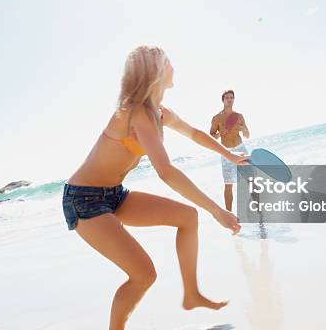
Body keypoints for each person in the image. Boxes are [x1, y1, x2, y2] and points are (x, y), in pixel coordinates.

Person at [62, 46, 248, 330]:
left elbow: (195, 134)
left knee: (187, 217)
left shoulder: (159, 113)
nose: (173, 65)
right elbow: (166, 172)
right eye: (168, 61)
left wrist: (230, 155)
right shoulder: (135, 112)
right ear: (155, 71)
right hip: (83, 199)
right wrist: (216, 210)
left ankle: (191, 294)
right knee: (143, 275)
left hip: (114, 194)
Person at [210, 90, 250, 212]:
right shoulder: (217, 118)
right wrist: (218, 135)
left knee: (251, 180)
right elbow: (211, 135)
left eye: (231, 97)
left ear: (234, 99)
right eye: (227, 97)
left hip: (241, 149)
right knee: (228, 184)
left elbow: (247, 135)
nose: (229, 99)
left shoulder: (239, 116)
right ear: (223, 100)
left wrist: (242, 128)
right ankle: (230, 215)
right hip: (226, 151)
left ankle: (259, 212)